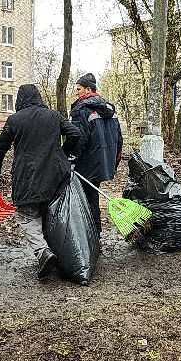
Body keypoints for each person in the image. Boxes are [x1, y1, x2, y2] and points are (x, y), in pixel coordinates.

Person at [0, 84, 81, 279]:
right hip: (55, 176)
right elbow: (75, 133)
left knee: (29, 216)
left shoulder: (15, 119)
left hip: (27, 177)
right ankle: (62, 255)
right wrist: (62, 155)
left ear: (19, 100)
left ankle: (43, 252)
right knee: (52, 214)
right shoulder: (54, 116)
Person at [66, 72, 123, 238]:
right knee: (92, 197)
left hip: (86, 163)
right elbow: (119, 139)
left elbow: (78, 139)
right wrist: (114, 162)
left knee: (86, 200)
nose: (76, 92)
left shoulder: (81, 110)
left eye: (78, 89)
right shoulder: (110, 109)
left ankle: (91, 237)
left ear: (88, 89)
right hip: (103, 162)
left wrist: (71, 160)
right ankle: (94, 236)